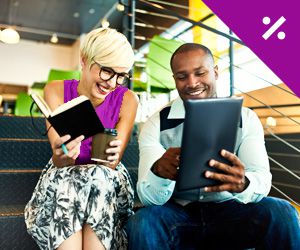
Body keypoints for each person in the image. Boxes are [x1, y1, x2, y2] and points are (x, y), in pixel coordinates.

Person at [126, 43, 300, 249]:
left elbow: (262, 179)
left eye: (200, 73)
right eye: (182, 77)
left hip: (230, 211)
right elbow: (148, 198)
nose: (192, 83)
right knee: (143, 221)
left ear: (215, 72)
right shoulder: (156, 124)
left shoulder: (245, 118)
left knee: (282, 212)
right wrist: (158, 173)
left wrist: (243, 184)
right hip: (177, 215)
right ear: (174, 80)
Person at [25, 28, 138, 250]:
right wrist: (63, 155)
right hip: (65, 175)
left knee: (98, 175)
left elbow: (111, 164)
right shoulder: (56, 90)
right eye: (107, 71)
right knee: (70, 180)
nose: (113, 83)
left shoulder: (128, 99)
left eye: (121, 75)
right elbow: (60, 161)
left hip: (106, 179)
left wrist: (110, 153)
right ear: (85, 60)